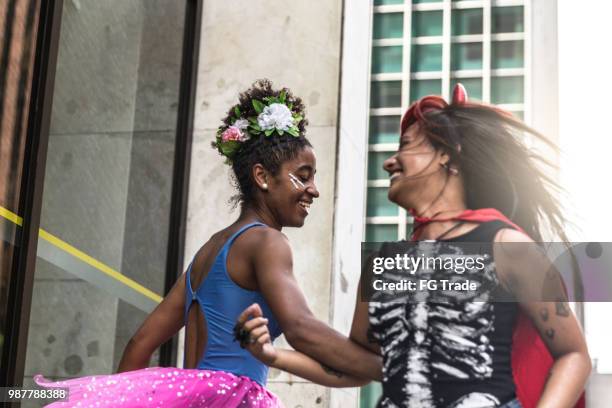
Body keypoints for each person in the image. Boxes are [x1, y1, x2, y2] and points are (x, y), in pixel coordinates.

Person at [237, 84, 591, 408]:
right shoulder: (382, 265)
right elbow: (361, 367)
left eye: (405, 146)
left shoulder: (508, 247)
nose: (389, 161)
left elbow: (573, 355)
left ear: (447, 155)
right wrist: (272, 355)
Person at [34, 79, 381, 407]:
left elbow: (141, 343)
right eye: (302, 177)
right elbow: (301, 329)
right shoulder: (267, 242)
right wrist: (380, 363)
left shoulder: (208, 254)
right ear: (262, 177)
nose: (314, 189)